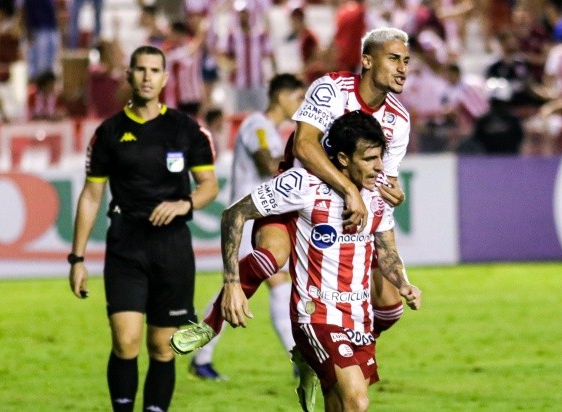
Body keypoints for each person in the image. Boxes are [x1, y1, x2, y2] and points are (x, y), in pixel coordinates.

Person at [169, 27, 413, 412]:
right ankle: (211, 325)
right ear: (367, 60)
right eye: (394, 58)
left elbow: (385, 176)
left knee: (390, 303)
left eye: (406, 61)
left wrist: (390, 190)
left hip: (345, 208)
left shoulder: (399, 120)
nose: (403, 68)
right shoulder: (330, 90)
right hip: (298, 198)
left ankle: (325, 355)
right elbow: (303, 144)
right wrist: (348, 190)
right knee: (271, 256)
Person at [68, 45, 218, 412]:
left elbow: (209, 186)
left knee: (163, 347)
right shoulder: (108, 133)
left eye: (155, 70)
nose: (148, 77)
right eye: (140, 70)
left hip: (173, 247)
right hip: (126, 244)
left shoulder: (186, 129)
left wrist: (184, 203)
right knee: (125, 341)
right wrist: (77, 258)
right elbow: (91, 195)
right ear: (129, 76)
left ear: (165, 79)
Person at [188, 73, 305, 380]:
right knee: (248, 287)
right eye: (298, 97)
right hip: (247, 221)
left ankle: (203, 357)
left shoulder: (269, 130)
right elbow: (267, 164)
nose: (300, 103)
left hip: (260, 221)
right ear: (281, 96)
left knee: (258, 286)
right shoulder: (258, 126)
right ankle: (298, 359)